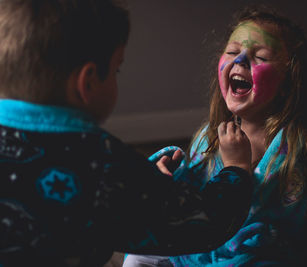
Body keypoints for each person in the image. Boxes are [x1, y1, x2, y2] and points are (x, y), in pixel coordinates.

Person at [0, 1, 255, 266]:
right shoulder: (102, 164)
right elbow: (204, 223)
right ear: (87, 82)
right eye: (116, 69)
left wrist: (145, 181)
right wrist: (236, 169)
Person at [124, 5, 307, 267]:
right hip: (199, 252)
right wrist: (168, 181)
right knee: (137, 255)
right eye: (232, 52)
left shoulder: (300, 152)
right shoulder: (209, 136)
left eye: (261, 57)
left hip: (255, 258)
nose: (240, 60)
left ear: (289, 82)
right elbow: (192, 202)